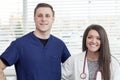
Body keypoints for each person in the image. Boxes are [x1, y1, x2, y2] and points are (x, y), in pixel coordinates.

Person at [0, 3, 71, 80]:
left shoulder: (59, 45)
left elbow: (74, 68)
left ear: (53, 19)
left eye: (47, 16)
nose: (43, 19)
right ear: (34, 18)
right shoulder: (19, 44)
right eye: (40, 15)